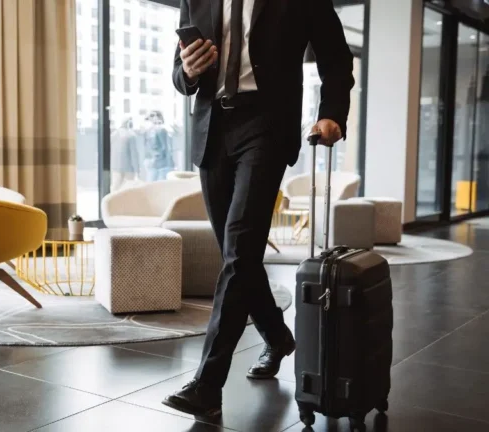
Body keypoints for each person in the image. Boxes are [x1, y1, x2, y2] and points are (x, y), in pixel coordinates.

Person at [161, 0, 354, 418]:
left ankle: (208, 385)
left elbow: (336, 56)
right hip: (212, 129)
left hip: (266, 126)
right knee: (239, 258)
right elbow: (179, 74)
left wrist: (332, 113)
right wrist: (188, 72)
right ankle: (278, 336)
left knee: (239, 251)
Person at [142, 110, 174, 182]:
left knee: (151, 183)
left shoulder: (148, 131)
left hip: (153, 161)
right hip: (160, 162)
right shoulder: (160, 130)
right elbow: (166, 147)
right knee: (160, 184)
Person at [110, 118, 141, 192]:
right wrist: (137, 169)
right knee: (128, 188)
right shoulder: (131, 135)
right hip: (128, 167)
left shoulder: (114, 134)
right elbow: (134, 154)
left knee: (115, 186)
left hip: (115, 166)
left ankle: (113, 201)